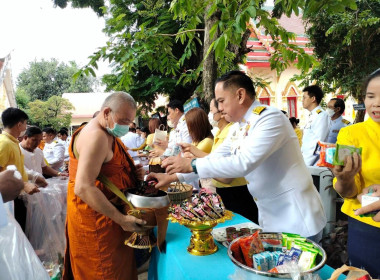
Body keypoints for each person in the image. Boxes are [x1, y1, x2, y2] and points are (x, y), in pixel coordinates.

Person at [159, 71, 326, 240]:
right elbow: (217, 157)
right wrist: (175, 177)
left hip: (297, 217)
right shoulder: (240, 126)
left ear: (240, 95)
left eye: (221, 101)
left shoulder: (269, 118)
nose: (220, 108)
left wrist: (191, 164)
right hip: (272, 216)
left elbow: (243, 163)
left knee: (300, 266)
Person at [62, 92, 147, 280]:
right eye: (123, 120)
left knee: (119, 270)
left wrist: (133, 173)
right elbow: (83, 187)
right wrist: (122, 220)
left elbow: (108, 171)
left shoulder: (107, 131)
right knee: (104, 272)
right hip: (98, 221)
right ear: (106, 112)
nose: (126, 126)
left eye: (129, 122)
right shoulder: (96, 137)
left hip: (110, 217)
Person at [332, 69, 380, 277]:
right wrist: (345, 179)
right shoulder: (350, 134)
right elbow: (350, 193)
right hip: (369, 229)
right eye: (371, 96)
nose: (376, 103)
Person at [0, 108, 40, 195]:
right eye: (25, 123)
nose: (26, 127)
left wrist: (33, 177)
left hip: (17, 194)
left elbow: (16, 169)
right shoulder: (4, 143)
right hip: (8, 197)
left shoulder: (13, 142)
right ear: (19, 125)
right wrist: (23, 185)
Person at [301, 85, 330, 166]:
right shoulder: (312, 115)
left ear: (313, 99)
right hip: (306, 161)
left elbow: (318, 142)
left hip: (313, 163)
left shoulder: (321, 116)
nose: (302, 100)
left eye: (304, 98)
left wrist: (306, 164)